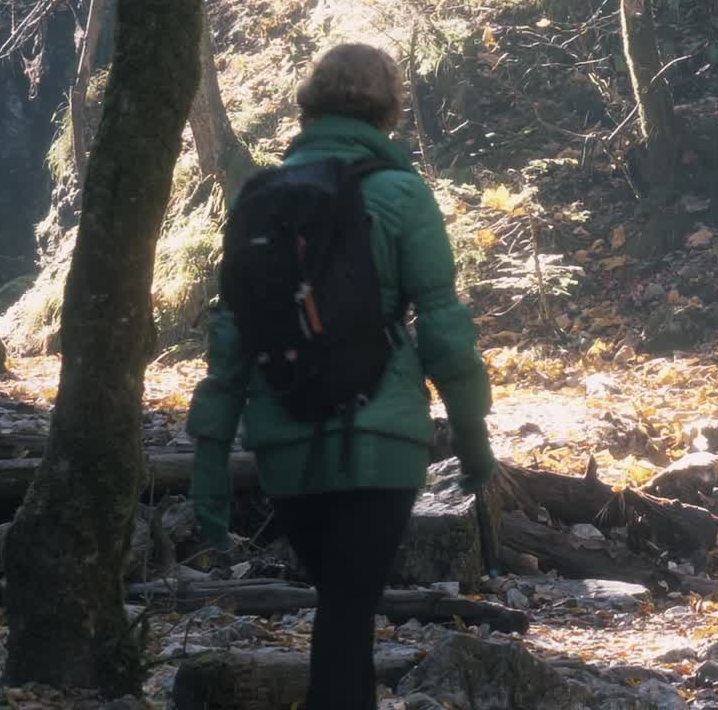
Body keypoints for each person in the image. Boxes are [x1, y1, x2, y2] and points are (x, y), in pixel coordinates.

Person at [185, 42, 497, 710]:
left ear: (309, 106)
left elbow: (232, 334)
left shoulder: (260, 196)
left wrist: (210, 462)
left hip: (284, 440)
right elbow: (443, 327)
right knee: (348, 607)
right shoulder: (401, 194)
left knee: (343, 603)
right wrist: (473, 436)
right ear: (390, 110)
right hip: (382, 440)